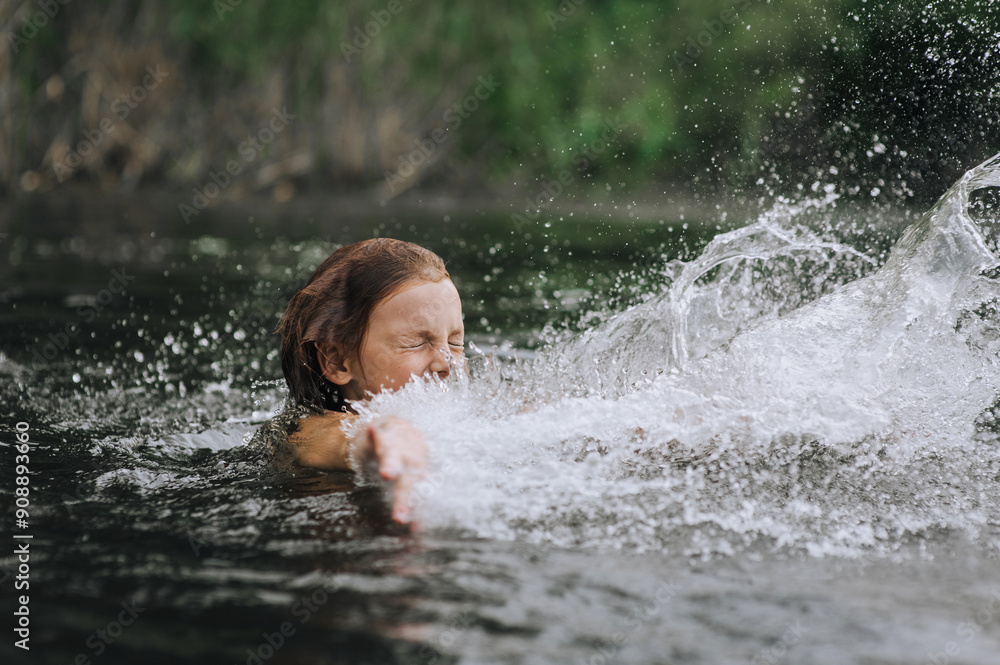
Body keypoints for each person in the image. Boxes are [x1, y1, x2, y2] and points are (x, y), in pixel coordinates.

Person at [252, 238, 465, 524]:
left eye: (455, 341)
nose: (447, 363)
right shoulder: (298, 430)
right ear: (337, 360)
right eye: (415, 342)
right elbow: (331, 438)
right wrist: (378, 438)